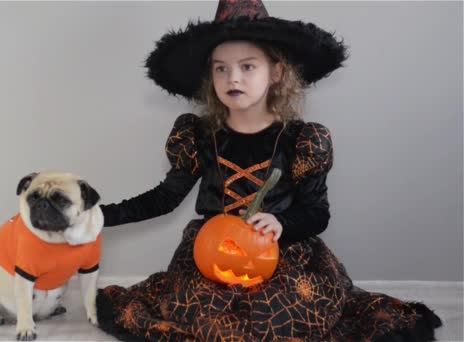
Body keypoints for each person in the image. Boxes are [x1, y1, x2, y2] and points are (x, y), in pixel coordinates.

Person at [96, 1, 442, 340]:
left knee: (281, 318)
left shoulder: (301, 139)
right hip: (213, 251)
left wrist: (281, 223)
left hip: (281, 252)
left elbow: (316, 213)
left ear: (275, 72)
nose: (233, 77)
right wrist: (98, 217)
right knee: (200, 316)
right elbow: (165, 198)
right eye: (221, 68)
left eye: (248, 66)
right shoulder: (199, 134)